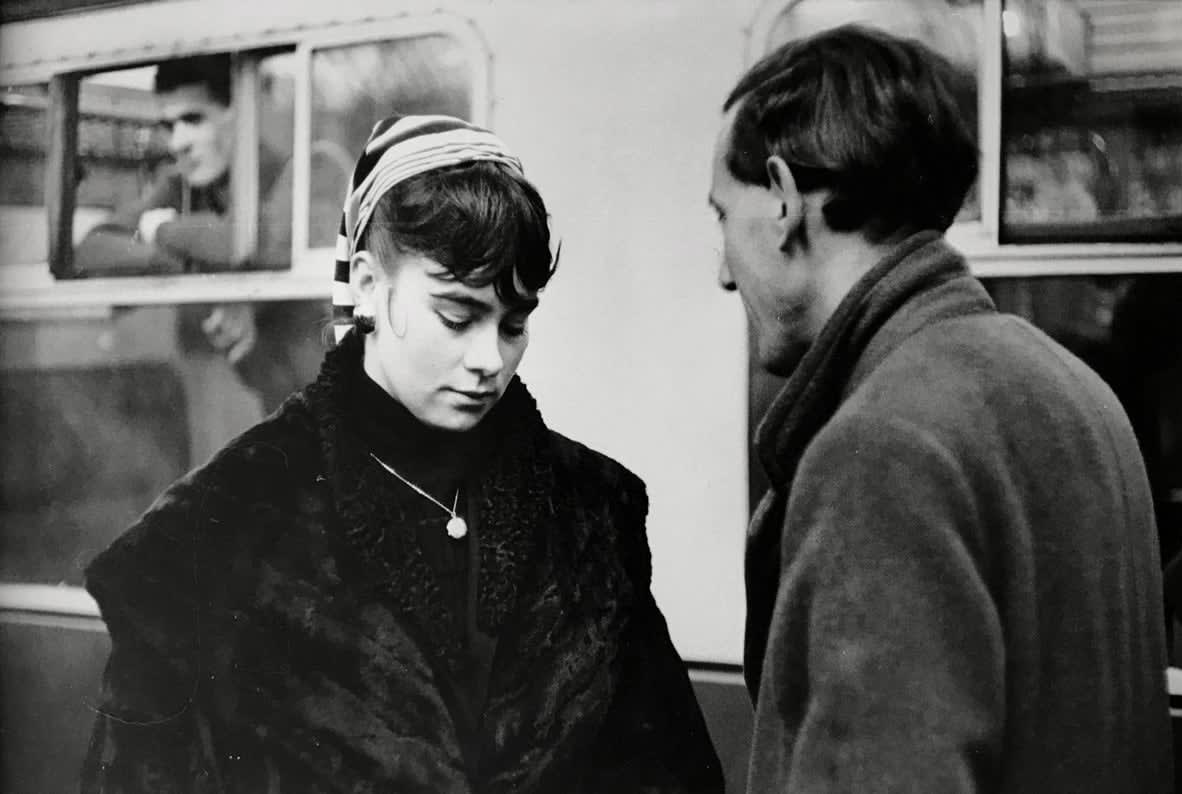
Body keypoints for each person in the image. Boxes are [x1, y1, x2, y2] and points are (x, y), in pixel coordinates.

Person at [81, 114, 724, 793]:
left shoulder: (593, 510)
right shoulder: (207, 534)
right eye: (456, 315)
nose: (488, 361)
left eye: (514, 323)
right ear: (366, 284)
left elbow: (671, 774)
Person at [707, 25, 1173, 792]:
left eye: (721, 215)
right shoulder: (1073, 387)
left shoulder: (879, 446)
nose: (722, 270)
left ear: (785, 201)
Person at [74, 53, 319, 412]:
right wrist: (180, 265)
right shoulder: (182, 185)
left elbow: (242, 241)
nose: (177, 143)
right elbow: (91, 248)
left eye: (192, 119)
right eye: (169, 126)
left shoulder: (293, 174)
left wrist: (162, 229)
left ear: (242, 112)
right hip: (228, 399)